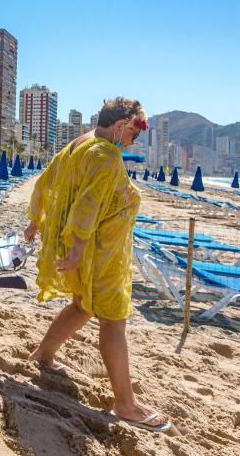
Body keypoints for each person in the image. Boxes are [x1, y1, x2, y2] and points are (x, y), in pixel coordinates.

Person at [24, 98, 171, 432]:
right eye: (135, 132)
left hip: (86, 247)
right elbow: (88, 205)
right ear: (121, 125)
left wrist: (35, 222)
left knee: (81, 306)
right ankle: (126, 404)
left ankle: (43, 356)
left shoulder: (81, 142)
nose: (135, 140)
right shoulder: (105, 154)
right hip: (98, 251)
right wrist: (77, 248)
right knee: (113, 321)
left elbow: (46, 182)